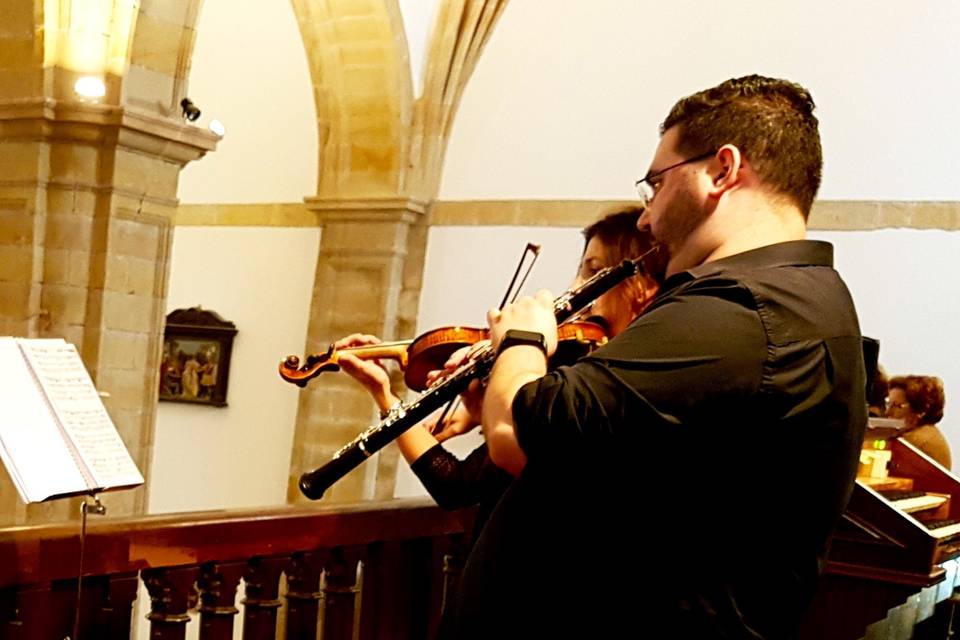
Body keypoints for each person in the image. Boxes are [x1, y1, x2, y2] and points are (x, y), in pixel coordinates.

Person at [442, 75, 867, 639]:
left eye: (657, 183)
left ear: (722, 169)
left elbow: (525, 422)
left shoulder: (741, 310)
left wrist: (521, 340)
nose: (646, 216)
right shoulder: (790, 297)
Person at [334, 208, 664, 544]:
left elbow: (456, 484)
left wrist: (385, 394)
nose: (576, 289)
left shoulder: (605, 383)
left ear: (643, 286)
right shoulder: (575, 367)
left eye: (594, 273)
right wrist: (482, 409)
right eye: (580, 272)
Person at [886, 375, 950, 469]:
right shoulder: (927, 433)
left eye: (897, 406)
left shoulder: (916, 441)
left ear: (920, 411)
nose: (887, 412)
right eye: (888, 404)